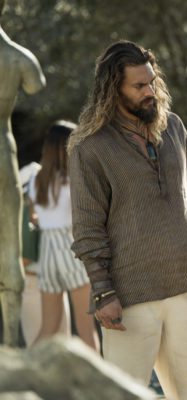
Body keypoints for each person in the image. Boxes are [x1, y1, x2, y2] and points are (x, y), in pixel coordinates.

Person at [67, 40, 187, 400]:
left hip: (182, 287)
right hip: (128, 298)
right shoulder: (91, 147)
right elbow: (88, 227)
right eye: (139, 86)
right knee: (122, 396)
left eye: (152, 82)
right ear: (113, 89)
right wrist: (103, 292)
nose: (150, 92)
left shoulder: (174, 129)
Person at [28, 121, 99, 352]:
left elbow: (34, 217)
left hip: (47, 254)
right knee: (87, 331)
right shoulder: (74, 180)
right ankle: (95, 377)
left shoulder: (36, 180)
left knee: (48, 330)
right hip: (72, 251)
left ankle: (23, 370)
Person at [0, 0, 46, 347]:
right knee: (9, 247)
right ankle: (11, 343)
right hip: (3, 153)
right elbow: (35, 84)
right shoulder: (19, 58)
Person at [19, 162, 70, 347]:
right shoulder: (26, 212)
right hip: (36, 283)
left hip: (47, 282)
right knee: (45, 348)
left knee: (58, 348)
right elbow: (25, 258)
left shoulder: (41, 210)